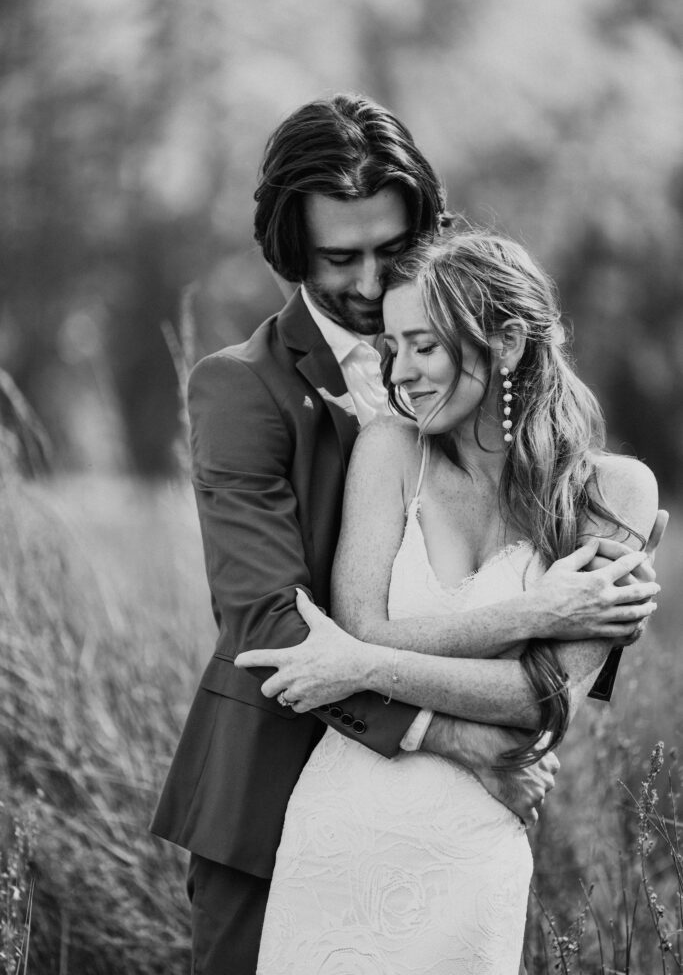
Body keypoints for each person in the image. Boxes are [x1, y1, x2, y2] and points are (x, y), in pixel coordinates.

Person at [151, 95, 664, 975]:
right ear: (290, 253)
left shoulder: (528, 423)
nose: (364, 282)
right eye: (336, 258)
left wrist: (596, 623)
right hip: (272, 797)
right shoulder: (239, 389)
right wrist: (459, 741)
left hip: (456, 830)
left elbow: (562, 676)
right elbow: (267, 626)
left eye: (391, 251)